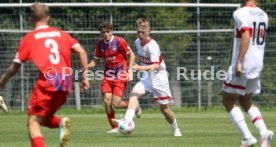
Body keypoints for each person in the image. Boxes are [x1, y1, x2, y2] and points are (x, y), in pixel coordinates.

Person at [0, 3, 89, 147]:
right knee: (44, 119)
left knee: (33, 122)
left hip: (48, 81)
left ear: (30, 19)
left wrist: (3, 81)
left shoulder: (29, 38)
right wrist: (83, 78)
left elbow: (14, 67)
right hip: (65, 81)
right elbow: (82, 52)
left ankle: (59, 125)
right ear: (48, 18)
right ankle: (61, 123)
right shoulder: (62, 34)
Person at [112, 18, 182, 137]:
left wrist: (139, 68)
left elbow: (156, 66)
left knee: (165, 110)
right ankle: (128, 120)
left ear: (149, 31)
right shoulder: (137, 42)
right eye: (138, 31)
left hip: (159, 78)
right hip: (147, 78)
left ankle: (175, 128)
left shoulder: (152, 46)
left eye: (143, 32)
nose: (140, 34)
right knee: (133, 94)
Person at [222, 0, 273, 146]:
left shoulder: (240, 12)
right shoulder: (264, 14)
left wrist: (238, 61)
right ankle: (264, 133)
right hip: (257, 63)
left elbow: (246, 36)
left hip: (244, 63)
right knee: (245, 100)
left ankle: (247, 137)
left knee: (228, 99)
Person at [87, 22, 141, 134]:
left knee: (116, 104)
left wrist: (130, 71)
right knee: (107, 101)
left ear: (111, 31)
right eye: (103, 32)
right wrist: (86, 66)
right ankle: (114, 127)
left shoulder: (120, 41)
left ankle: (134, 105)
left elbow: (132, 55)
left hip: (120, 75)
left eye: (108, 31)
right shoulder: (100, 44)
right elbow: (95, 61)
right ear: (100, 33)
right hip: (108, 76)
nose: (106, 34)